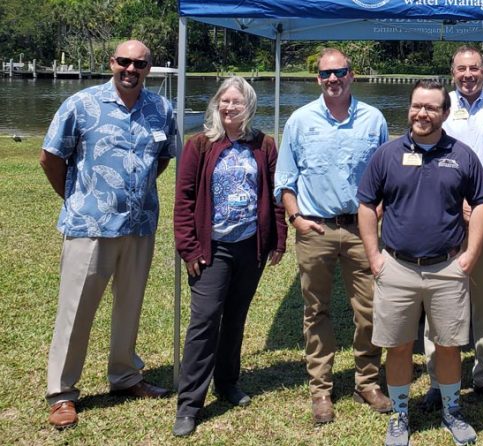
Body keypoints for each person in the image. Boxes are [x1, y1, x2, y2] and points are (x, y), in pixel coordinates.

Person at [41, 40, 179, 430]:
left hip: (139, 227)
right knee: (75, 311)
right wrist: (75, 198)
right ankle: (62, 393)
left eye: (140, 63)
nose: (130, 69)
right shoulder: (81, 104)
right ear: (112, 63)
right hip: (90, 226)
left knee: (129, 306)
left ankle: (125, 376)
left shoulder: (160, 109)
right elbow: (51, 156)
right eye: (124, 61)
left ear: (149, 68)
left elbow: (163, 158)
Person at [358, 80, 483, 446]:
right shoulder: (387, 154)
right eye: (418, 106)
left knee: (448, 346)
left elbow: (481, 204)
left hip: (447, 268)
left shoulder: (462, 155)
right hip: (396, 266)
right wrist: (374, 256)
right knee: (398, 345)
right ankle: (400, 415)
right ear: (409, 109)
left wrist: (471, 256)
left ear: (445, 114)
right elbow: (367, 205)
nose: (423, 113)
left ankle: (452, 410)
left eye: (432, 108)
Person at [275, 49, 392, 425]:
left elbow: (385, 176)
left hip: (361, 231)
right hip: (316, 228)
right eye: (326, 74)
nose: (333, 79)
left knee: (371, 310)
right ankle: (321, 389)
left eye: (339, 72)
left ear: (351, 75)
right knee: (316, 312)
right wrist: (296, 218)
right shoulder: (299, 120)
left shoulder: (373, 120)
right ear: (318, 79)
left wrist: (379, 213)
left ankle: (367, 381)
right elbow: (285, 179)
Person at [171, 76, 287, 437]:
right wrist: (188, 247)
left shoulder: (263, 144)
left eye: (237, 102)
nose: (229, 107)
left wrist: (278, 240)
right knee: (204, 322)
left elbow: (276, 195)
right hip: (212, 250)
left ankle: (227, 382)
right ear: (216, 105)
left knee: (235, 318)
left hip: (249, 246)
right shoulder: (199, 145)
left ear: (249, 106)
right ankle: (190, 404)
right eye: (224, 101)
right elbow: (184, 200)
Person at [423, 46, 483, 408]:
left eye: (474, 68)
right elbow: (423, 158)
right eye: (461, 69)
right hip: (444, 217)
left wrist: (482, 202)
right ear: (452, 72)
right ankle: (438, 378)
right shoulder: (437, 106)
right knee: (439, 300)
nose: (468, 74)